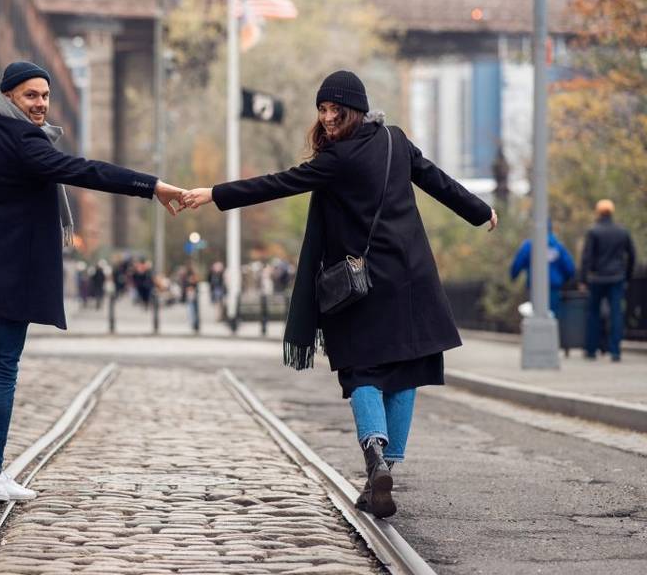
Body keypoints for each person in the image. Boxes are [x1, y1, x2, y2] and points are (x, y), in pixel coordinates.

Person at [183, 70, 497, 518]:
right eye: (323, 110)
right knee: (405, 370)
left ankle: (375, 458)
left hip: (360, 283)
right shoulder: (395, 140)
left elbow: (276, 183)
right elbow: (435, 179)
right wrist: (480, 210)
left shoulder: (337, 159)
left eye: (337, 110)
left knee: (361, 369)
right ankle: (384, 469)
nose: (328, 118)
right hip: (410, 278)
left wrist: (213, 194)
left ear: (357, 111)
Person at [0, 61, 187, 502]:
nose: (41, 104)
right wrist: (153, 186)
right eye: (31, 95)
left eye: (45, 96)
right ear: (8, 95)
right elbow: (85, 171)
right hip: (6, 276)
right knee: (0, 370)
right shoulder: (25, 140)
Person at [580, 199, 636, 362]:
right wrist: (627, 275)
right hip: (617, 278)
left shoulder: (593, 231)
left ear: (598, 213)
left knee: (593, 313)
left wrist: (583, 279)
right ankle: (615, 351)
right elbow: (632, 255)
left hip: (597, 278)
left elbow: (587, 257)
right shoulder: (622, 231)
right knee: (616, 314)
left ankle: (591, 350)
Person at [509, 221, 576, 318]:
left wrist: (513, 275)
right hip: (554, 288)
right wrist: (566, 280)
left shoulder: (529, 245)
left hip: (535, 287)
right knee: (552, 317)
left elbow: (518, 263)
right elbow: (570, 268)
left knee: (535, 316)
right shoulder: (558, 246)